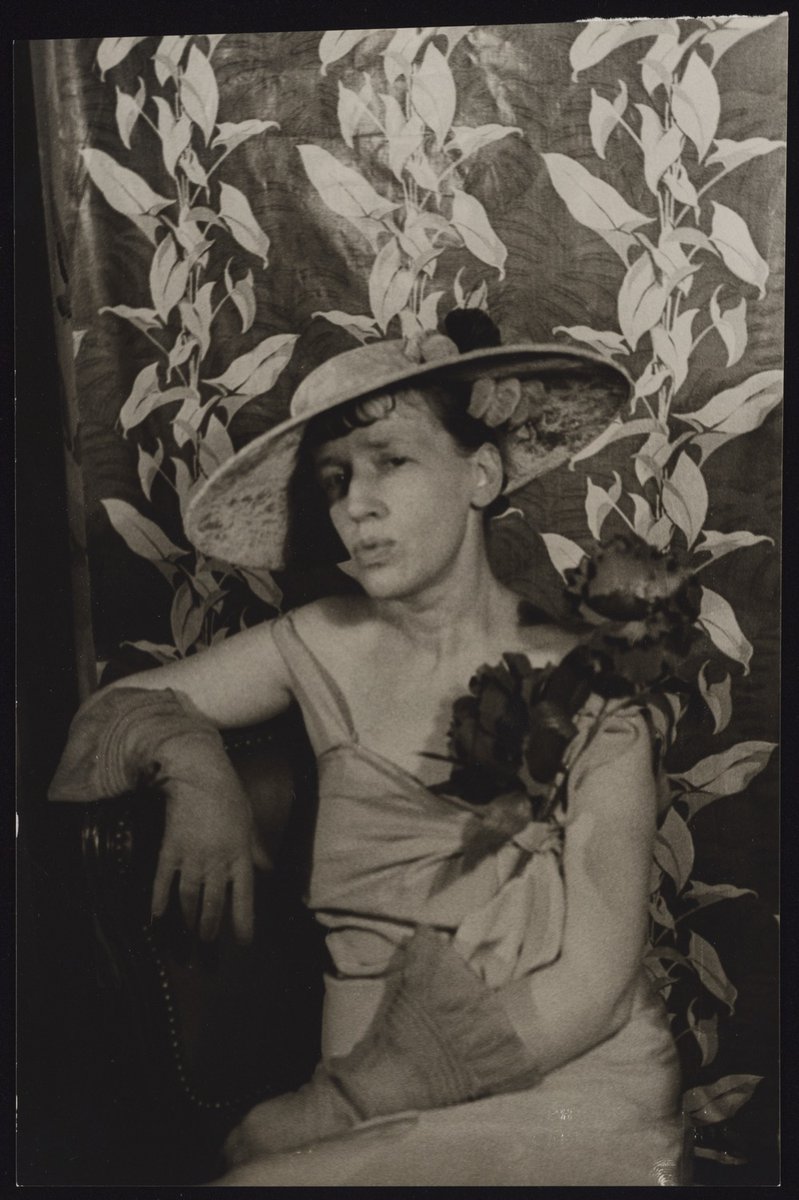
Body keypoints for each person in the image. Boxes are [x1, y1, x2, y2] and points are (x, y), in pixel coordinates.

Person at [49, 313, 687, 1186]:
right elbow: (115, 710)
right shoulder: (319, 640)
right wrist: (195, 773)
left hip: (560, 1092)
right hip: (366, 1113)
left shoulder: (593, 688)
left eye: (391, 461)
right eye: (335, 478)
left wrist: (337, 1107)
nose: (356, 504)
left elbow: (596, 985)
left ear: (480, 473)